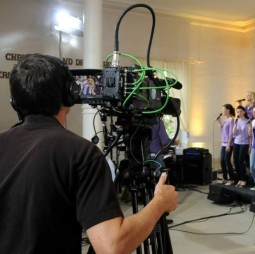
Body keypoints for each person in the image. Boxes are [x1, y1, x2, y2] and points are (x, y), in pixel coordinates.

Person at [0, 54, 178, 253]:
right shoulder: (80, 154)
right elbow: (112, 245)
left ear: (14, 102)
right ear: (70, 94)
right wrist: (159, 204)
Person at [232, 106, 251, 188]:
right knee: (235, 161)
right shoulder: (236, 120)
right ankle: (239, 179)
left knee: (240, 161)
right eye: (238, 112)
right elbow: (234, 132)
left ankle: (244, 179)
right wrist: (235, 123)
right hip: (236, 142)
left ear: (244, 112)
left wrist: (250, 146)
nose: (239, 113)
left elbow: (250, 135)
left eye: (240, 111)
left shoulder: (248, 121)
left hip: (245, 143)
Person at [217, 104, 236, 185]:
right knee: (222, 161)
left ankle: (231, 179)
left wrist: (228, 144)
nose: (223, 111)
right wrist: (219, 122)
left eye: (224, 109)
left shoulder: (231, 120)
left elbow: (231, 134)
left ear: (228, 110)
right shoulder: (225, 120)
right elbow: (223, 132)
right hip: (223, 143)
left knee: (227, 161)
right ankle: (225, 178)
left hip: (229, 143)